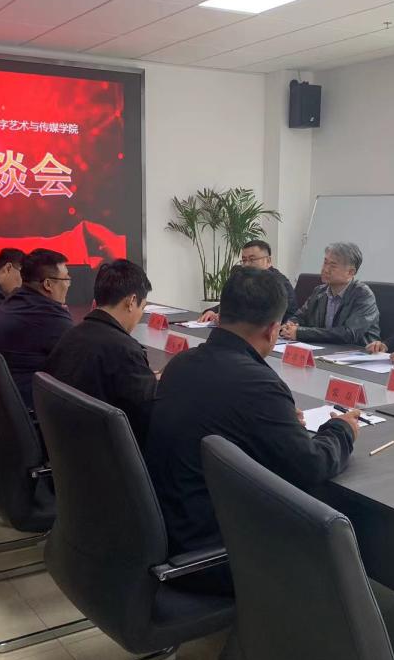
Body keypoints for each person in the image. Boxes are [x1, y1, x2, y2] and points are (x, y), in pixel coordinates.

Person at [146, 266, 363, 596]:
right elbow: (311, 466)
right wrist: (342, 429)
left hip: (168, 528)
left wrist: (277, 422)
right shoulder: (257, 384)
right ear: (273, 330)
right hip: (214, 551)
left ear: (222, 313)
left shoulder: (181, 364)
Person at [46, 259, 156, 447]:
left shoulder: (71, 335)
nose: (140, 315)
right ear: (131, 302)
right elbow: (149, 415)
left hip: (67, 446)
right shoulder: (125, 351)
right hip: (111, 451)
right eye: (142, 307)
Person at [0, 249, 74, 408]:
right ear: (48, 284)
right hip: (29, 407)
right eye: (66, 279)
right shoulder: (49, 317)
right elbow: (79, 359)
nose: (68, 284)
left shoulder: (15, 299)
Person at [280, 242, 380, 345]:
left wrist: (301, 333)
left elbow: (349, 333)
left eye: (333, 266)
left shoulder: (363, 295)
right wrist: (289, 325)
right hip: (324, 350)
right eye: (325, 263)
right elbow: (300, 317)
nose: (325, 269)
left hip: (357, 351)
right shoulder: (319, 291)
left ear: (350, 272)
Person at [197, 240, 297, 324]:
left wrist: (231, 318)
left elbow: (274, 314)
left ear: (268, 261)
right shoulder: (244, 279)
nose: (247, 265)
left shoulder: (278, 283)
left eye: (252, 259)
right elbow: (233, 301)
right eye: (244, 260)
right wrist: (213, 311)